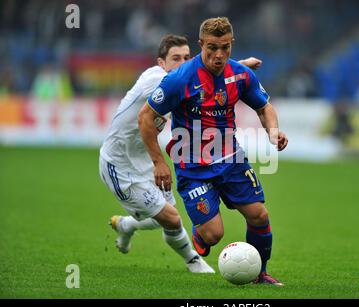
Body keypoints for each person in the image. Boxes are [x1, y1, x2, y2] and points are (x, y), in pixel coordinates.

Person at [139, 18, 288, 285]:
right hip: (192, 167)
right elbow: (146, 117)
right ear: (201, 45)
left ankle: (260, 274)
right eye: (212, 48)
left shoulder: (239, 74)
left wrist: (272, 131)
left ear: (231, 45)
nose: (219, 55)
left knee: (259, 215)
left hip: (230, 158)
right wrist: (158, 161)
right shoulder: (180, 79)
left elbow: (264, 107)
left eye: (225, 48)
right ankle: (201, 233)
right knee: (213, 235)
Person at [99, 34, 263, 274]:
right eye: (176, 58)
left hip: (145, 158)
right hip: (119, 164)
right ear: (161, 63)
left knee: (165, 216)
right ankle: (193, 262)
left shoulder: (184, 81)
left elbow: (201, 71)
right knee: (172, 219)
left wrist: (237, 67)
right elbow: (192, 73)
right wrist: (237, 65)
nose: (183, 63)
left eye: (187, 57)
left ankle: (126, 225)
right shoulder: (154, 79)